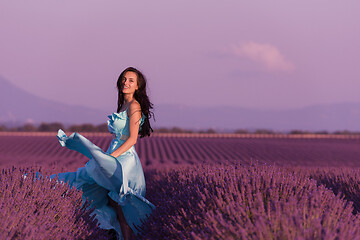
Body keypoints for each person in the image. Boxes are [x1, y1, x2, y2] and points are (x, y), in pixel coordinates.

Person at [52, 67, 155, 240]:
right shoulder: (124, 104)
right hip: (114, 155)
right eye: (124, 79)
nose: (125, 82)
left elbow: (132, 140)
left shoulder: (134, 106)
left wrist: (110, 158)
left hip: (124, 160)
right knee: (113, 205)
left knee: (123, 213)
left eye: (131, 80)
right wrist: (108, 157)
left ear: (137, 86)